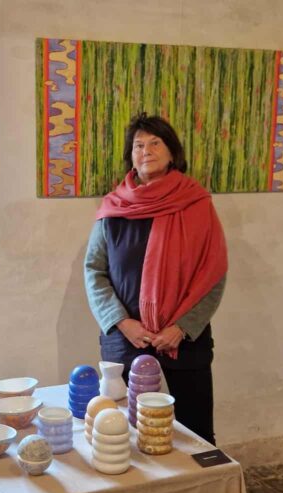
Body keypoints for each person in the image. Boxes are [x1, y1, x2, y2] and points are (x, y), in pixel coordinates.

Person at [83, 113, 228, 444]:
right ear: (131, 155)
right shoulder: (114, 208)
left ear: (172, 152)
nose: (146, 151)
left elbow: (214, 272)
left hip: (184, 339)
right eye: (138, 145)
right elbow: (94, 270)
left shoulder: (197, 204)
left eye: (155, 143)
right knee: (121, 431)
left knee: (194, 433)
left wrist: (181, 328)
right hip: (126, 338)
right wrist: (123, 323)